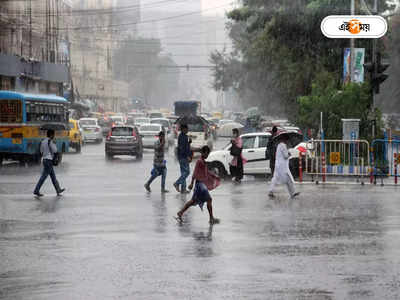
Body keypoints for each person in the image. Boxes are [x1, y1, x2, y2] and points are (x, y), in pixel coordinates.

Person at [176, 146, 220, 224]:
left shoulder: (203, 161)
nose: (207, 155)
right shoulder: (199, 161)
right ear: (203, 153)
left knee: (193, 201)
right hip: (200, 185)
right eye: (206, 153)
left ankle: (180, 212)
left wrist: (214, 176)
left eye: (208, 153)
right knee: (209, 199)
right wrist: (191, 183)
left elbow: (206, 172)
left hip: (200, 185)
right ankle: (211, 218)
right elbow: (195, 173)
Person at [33, 129, 65, 197]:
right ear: (51, 135)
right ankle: (36, 190)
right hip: (49, 161)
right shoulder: (50, 141)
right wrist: (54, 144)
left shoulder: (43, 141)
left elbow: (41, 151)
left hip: (45, 160)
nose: (54, 136)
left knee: (53, 177)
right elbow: (55, 150)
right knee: (43, 177)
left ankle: (58, 189)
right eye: (53, 135)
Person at [268, 133, 300, 199]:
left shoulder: (279, 145)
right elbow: (285, 156)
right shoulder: (283, 146)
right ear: (285, 139)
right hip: (283, 166)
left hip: (278, 165)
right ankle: (292, 193)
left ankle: (271, 191)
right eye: (287, 140)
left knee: (275, 178)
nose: (287, 141)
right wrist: (289, 154)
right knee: (288, 179)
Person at [174, 124, 192, 194]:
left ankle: (183, 189)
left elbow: (186, 146)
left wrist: (189, 142)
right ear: (183, 129)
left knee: (183, 173)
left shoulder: (184, 136)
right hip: (183, 157)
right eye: (186, 129)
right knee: (187, 172)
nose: (187, 130)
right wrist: (187, 156)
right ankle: (177, 183)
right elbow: (182, 148)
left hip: (182, 157)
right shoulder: (182, 137)